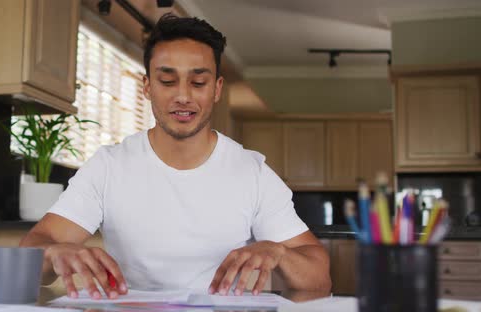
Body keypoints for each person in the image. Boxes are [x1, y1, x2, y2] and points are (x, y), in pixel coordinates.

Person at [20, 13, 331, 300]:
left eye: (198, 82)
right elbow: (33, 247)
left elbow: (319, 279)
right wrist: (52, 253)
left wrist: (279, 252)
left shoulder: (253, 172)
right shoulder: (108, 166)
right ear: (147, 87)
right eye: (167, 81)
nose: (183, 95)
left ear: (217, 89)